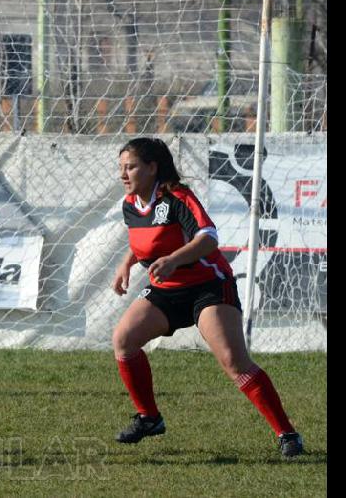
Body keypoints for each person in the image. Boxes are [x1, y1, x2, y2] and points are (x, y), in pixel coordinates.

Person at [111, 137, 303, 458]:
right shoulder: (131, 204)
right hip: (167, 290)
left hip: (207, 285)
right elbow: (146, 241)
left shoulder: (177, 197)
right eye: (121, 168)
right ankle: (149, 418)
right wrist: (126, 264)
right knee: (124, 340)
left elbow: (209, 237)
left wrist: (173, 260)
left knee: (233, 362)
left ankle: (288, 433)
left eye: (130, 167)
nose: (123, 174)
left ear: (152, 168)